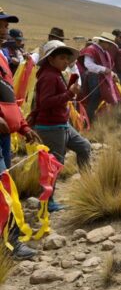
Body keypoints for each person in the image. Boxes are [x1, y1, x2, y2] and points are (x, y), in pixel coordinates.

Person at [29, 40, 91, 212]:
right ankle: (48, 202)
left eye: (67, 58)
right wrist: (70, 93)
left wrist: (68, 93)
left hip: (61, 124)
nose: (66, 61)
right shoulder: (49, 76)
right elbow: (46, 103)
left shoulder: (54, 73)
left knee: (84, 147)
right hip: (51, 127)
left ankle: (89, 185)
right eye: (62, 58)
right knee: (54, 165)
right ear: (51, 59)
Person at [0, 7, 42, 259]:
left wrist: (24, 126)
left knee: (6, 181)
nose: (4, 29)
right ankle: (11, 243)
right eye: (1, 25)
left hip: (5, 133)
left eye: (6, 25)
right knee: (3, 186)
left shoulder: (3, 56)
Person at [80, 32, 119, 121]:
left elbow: (108, 67)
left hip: (102, 79)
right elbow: (88, 65)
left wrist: (112, 74)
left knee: (99, 99)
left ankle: (93, 119)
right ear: (102, 42)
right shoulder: (91, 49)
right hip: (93, 78)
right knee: (94, 98)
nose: (109, 46)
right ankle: (88, 121)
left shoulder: (105, 53)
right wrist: (104, 69)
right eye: (108, 43)